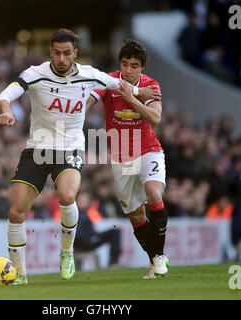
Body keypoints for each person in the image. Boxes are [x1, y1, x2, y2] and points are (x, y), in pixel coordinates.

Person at [0, 29, 156, 284]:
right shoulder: (35, 74)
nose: (61, 58)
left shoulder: (90, 75)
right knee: (16, 213)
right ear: (51, 52)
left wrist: (140, 94)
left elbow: (121, 85)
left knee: (68, 196)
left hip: (70, 148)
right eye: (57, 53)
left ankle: (67, 252)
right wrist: (6, 111)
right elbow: (5, 94)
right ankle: (20, 274)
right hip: (38, 149)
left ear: (75, 54)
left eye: (67, 53)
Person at [87, 39, 169, 279]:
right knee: (135, 215)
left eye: (134, 65)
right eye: (125, 64)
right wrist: (80, 109)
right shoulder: (109, 81)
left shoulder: (151, 85)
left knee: (154, 193)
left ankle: (160, 256)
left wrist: (133, 99)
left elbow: (155, 118)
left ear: (141, 67)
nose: (128, 70)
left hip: (148, 149)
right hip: (121, 157)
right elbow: (90, 100)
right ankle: (154, 259)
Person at [73, 190, 121, 269]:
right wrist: (91, 236)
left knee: (114, 231)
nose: (84, 202)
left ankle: (114, 261)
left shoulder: (86, 212)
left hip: (89, 238)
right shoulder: (76, 214)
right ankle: (113, 262)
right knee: (114, 232)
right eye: (81, 200)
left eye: (85, 200)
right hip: (84, 242)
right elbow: (78, 233)